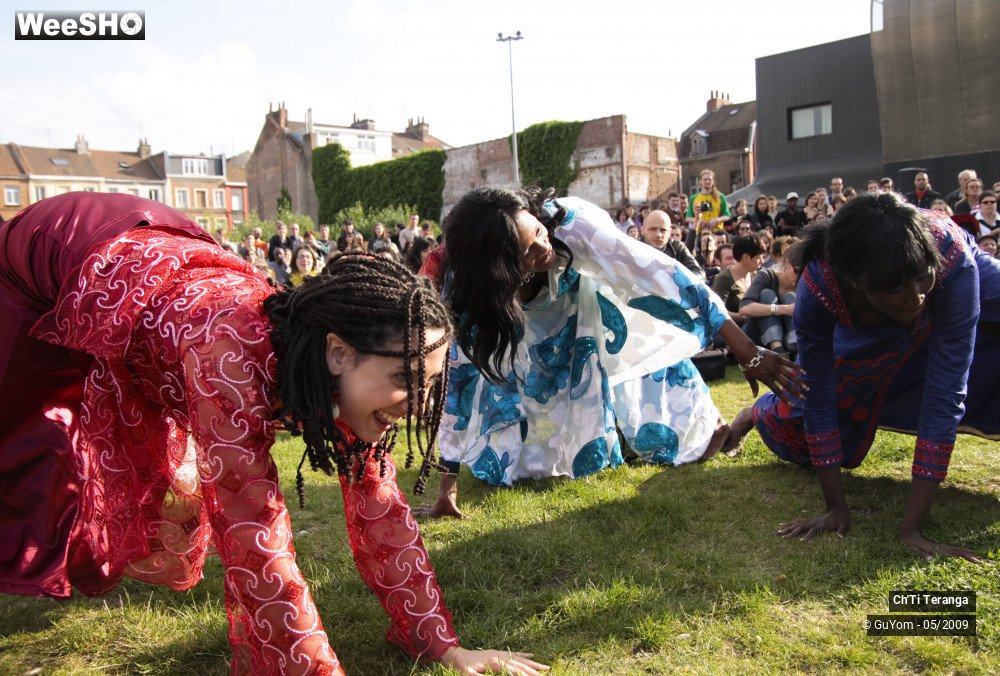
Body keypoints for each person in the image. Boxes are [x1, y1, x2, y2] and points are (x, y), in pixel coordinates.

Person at [0, 192, 547, 675]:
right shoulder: (228, 364)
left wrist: (444, 647)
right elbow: (257, 543)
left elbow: (382, 509)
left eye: (426, 385)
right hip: (56, 247)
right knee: (31, 445)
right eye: (404, 379)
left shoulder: (344, 368)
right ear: (337, 352)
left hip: (158, 241)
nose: (415, 406)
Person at [417, 186, 801, 518]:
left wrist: (748, 350)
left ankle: (729, 427)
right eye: (527, 252)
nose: (543, 249)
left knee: (642, 378)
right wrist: (447, 485)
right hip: (513, 314)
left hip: (587, 293)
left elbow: (660, 273)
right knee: (507, 413)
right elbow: (460, 382)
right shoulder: (469, 292)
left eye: (537, 232)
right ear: (497, 269)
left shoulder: (568, 227)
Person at [729, 193, 1000, 561]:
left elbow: (945, 391)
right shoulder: (819, 287)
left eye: (922, 281)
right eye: (896, 290)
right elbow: (818, 395)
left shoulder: (953, 265)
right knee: (815, 405)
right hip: (861, 316)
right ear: (858, 284)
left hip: (959, 275)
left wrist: (912, 529)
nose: (916, 299)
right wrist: (836, 509)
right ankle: (758, 412)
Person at [738, 236, 799, 356]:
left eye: (804, 272)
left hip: (790, 340)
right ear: (787, 263)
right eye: (797, 271)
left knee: (791, 297)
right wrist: (785, 309)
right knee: (767, 294)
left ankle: (795, 349)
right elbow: (744, 308)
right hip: (758, 337)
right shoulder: (767, 275)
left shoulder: (804, 283)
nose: (799, 276)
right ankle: (778, 350)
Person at [710, 235, 765, 326]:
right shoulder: (724, 279)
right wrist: (746, 315)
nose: (762, 261)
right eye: (758, 258)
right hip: (731, 329)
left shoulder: (756, 275)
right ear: (746, 257)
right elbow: (716, 311)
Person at [685, 170, 731, 234]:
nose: (707, 181)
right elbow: (688, 218)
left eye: (709, 179)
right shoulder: (694, 198)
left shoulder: (720, 196)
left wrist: (716, 220)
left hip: (717, 232)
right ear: (700, 181)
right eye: (705, 179)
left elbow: (727, 215)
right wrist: (698, 221)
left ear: (713, 181)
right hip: (700, 233)